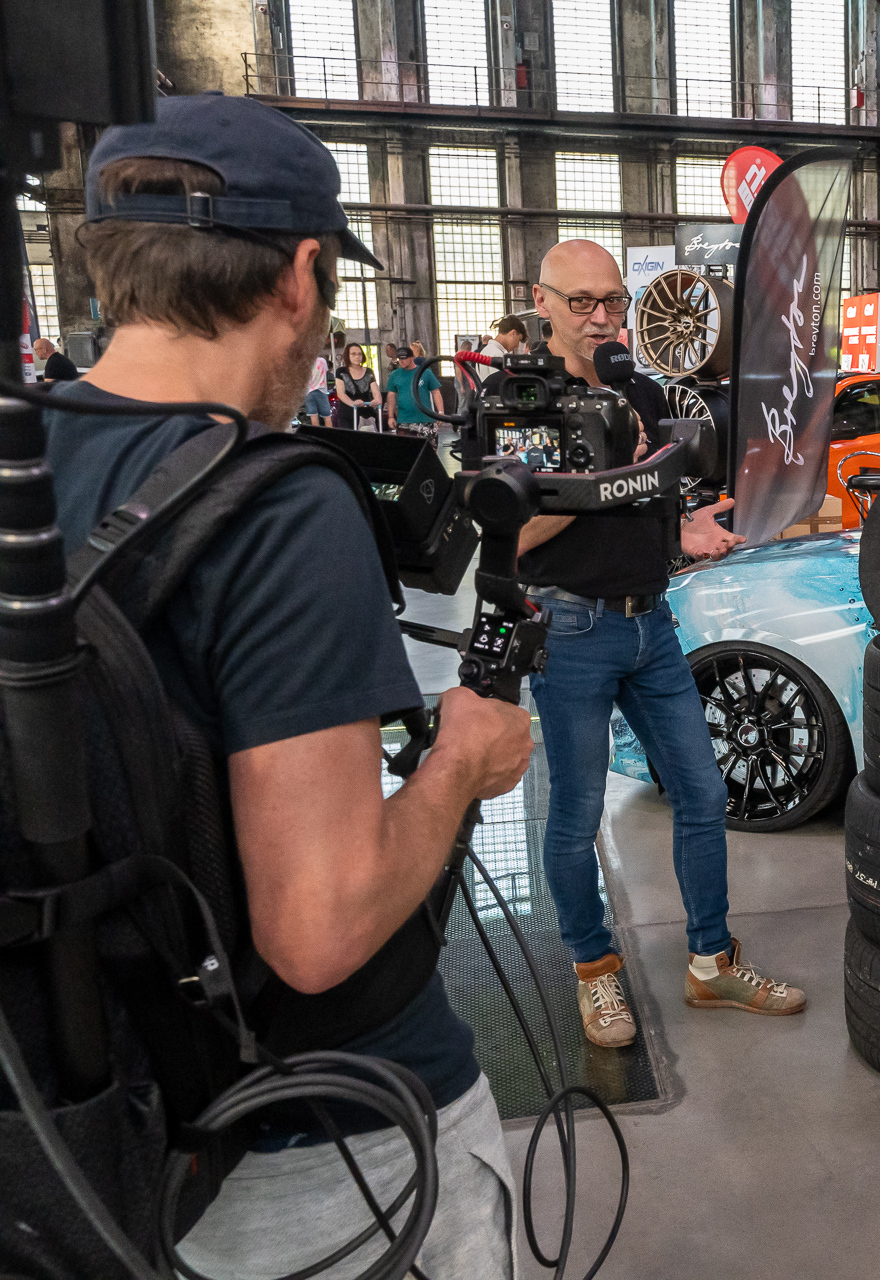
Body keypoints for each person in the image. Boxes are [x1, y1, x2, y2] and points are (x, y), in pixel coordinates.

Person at [44, 92, 530, 1278]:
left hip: (94, 1128)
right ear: (301, 276)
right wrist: (462, 760)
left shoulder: (24, 455)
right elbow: (319, 926)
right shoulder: (280, 505)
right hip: (325, 1142)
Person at [513, 239, 807, 1050]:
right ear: (542, 303)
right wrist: (607, 471)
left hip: (653, 624)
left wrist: (681, 527)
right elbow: (515, 534)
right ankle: (594, 969)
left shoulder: (638, 389)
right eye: (581, 302)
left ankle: (711, 963)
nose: (601, 317)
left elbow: (644, 509)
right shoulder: (524, 401)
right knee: (576, 815)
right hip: (571, 629)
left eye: (613, 301)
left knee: (703, 795)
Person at [384, 341, 443, 434]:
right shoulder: (395, 374)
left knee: (429, 443)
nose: (401, 361)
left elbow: (435, 391)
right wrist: (391, 416)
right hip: (404, 420)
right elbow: (391, 395)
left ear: (412, 358)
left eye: (404, 358)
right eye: (399, 358)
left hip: (425, 419)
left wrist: (440, 412)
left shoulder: (425, 372)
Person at [334, 342, 379, 429]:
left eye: (359, 354)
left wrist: (377, 400)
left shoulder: (368, 372)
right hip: (348, 414)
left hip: (366, 413)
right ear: (348, 356)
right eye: (353, 354)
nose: (357, 357)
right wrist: (353, 404)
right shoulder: (341, 371)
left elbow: (375, 390)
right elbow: (341, 393)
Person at [300, 355, 332, 427]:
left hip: (309, 392)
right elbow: (327, 372)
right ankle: (330, 433)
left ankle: (316, 433)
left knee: (313, 416)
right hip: (321, 391)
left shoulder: (304, 363)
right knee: (327, 417)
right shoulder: (322, 361)